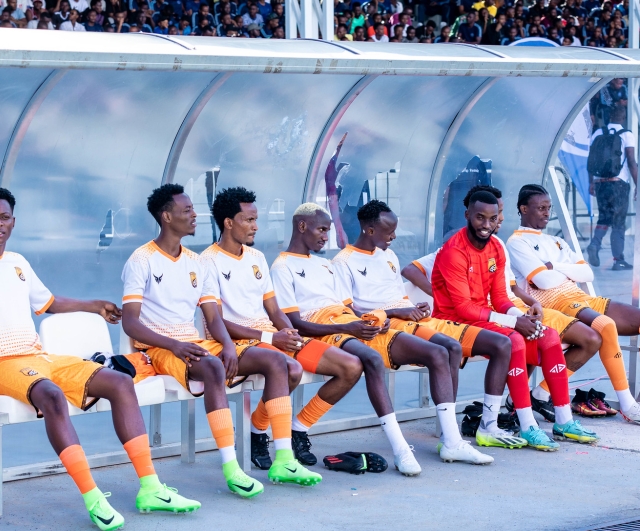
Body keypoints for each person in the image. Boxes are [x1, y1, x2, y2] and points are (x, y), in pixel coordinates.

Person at [0, 186, 200, 531]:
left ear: (13, 223)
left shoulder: (18, 264)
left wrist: (92, 304)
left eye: (3, 218)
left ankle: (151, 488)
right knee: (51, 394)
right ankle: (93, 498)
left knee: (120, 382)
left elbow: (48, 303)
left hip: (37, 357)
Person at [404, 186, 603, 421]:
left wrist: (520, 315)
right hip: (460, 321)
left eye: (495, 215)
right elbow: (462, 307)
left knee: (547, 336)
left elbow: (501, 295)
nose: (491, 222)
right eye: (482, 216)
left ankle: (563, 420)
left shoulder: (497, 245)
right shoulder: (453, 250)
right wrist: (514, 321)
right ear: (468, 214)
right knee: (514, 339)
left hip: (494, 314)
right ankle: (509, 422)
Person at [202, 187, 364, 473]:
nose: (255, 226)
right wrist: (270, 337)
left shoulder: (256, 258)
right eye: (248, 220)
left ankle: (263, 430)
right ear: (228, 223)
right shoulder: (206, 261)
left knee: (351, 366)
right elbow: (216, 321)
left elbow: (275, 311)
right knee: (289, 368)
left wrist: (291, 336)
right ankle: (278, 451)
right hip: (237, 342)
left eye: (255, 219)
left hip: (270, 338)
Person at [120, 184, 265, 499]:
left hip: (196, 343)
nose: (195, 214)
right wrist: (172, 345)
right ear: (167, 216)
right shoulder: (141, 259)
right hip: (159, 348)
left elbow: (213, 318)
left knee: (272, 360)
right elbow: (130, 322)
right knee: (213, 368)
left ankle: (279, 451)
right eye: (187, 210)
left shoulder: (197, 262)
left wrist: (228, 345)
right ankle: (232, 467)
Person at [331, 200, 495, 465]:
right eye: (389, 232)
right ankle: (451, 440)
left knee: (452, 347)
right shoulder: (343, 261)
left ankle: (449, 434)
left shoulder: (389, 256)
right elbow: (350, 313)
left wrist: (411, 306)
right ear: (370, 230)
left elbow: (399, 296)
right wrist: (397, 313)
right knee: (439, 353)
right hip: (383, 326)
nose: (394, 236)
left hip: (407, 319)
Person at [271, 204, 427, 476]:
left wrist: (372, 320)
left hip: (344, 323)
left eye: (328, 231)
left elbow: (347, 309)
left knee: (425, 350)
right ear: (302, 226)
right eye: (321, 230)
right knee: (369, 359)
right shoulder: (282, 266)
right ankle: (400, 447)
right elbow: (294, 322)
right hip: (320, 329)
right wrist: (351, 327)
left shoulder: (324, 264)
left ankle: (299, 428)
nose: (325, 237)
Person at [507, 184, 640, 426]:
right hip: (554, 303)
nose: (546, 213)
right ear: (524, 209)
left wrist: (556, 268)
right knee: (605, 326)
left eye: (548, 208)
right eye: (540, 208)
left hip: (579, 297)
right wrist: (565, 272)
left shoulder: (557, 241)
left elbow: (587, 273)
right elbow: (542, 281)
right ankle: (628, 405)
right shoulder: (517, 241)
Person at [587, 105, 636, 271]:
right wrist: (638, 185)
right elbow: (631, 161)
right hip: (618, 183)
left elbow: (591, 161)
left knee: (604, 217)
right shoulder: (627, 135)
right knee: (618, 222)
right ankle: (618, 260)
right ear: (623, 118)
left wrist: (591, 182)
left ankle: (595, 244)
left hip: (600, 182)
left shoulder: (598, 133)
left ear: (609, 117)